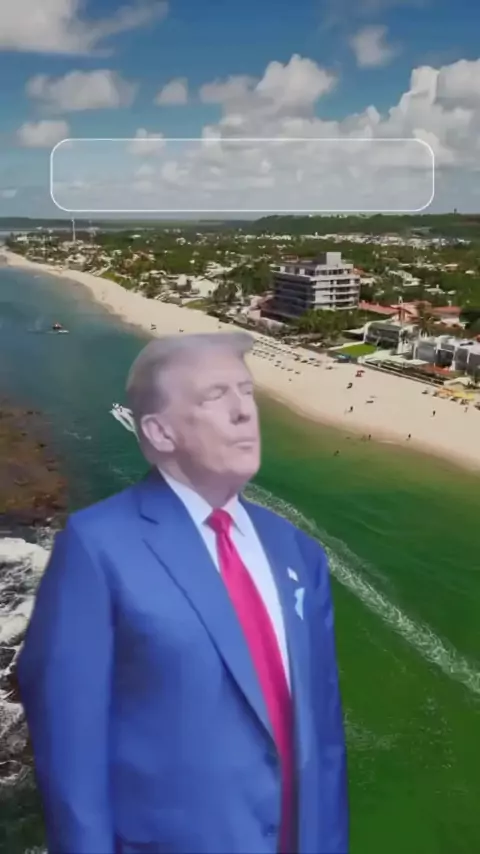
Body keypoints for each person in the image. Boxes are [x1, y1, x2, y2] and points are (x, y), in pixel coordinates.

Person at [18, 331, 348, 854]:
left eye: (246, 391)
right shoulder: (95, 547)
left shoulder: (300, 553)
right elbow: (70, 751)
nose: (244, 411)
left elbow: (324, 740)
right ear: (160, 432)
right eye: (216, 396)